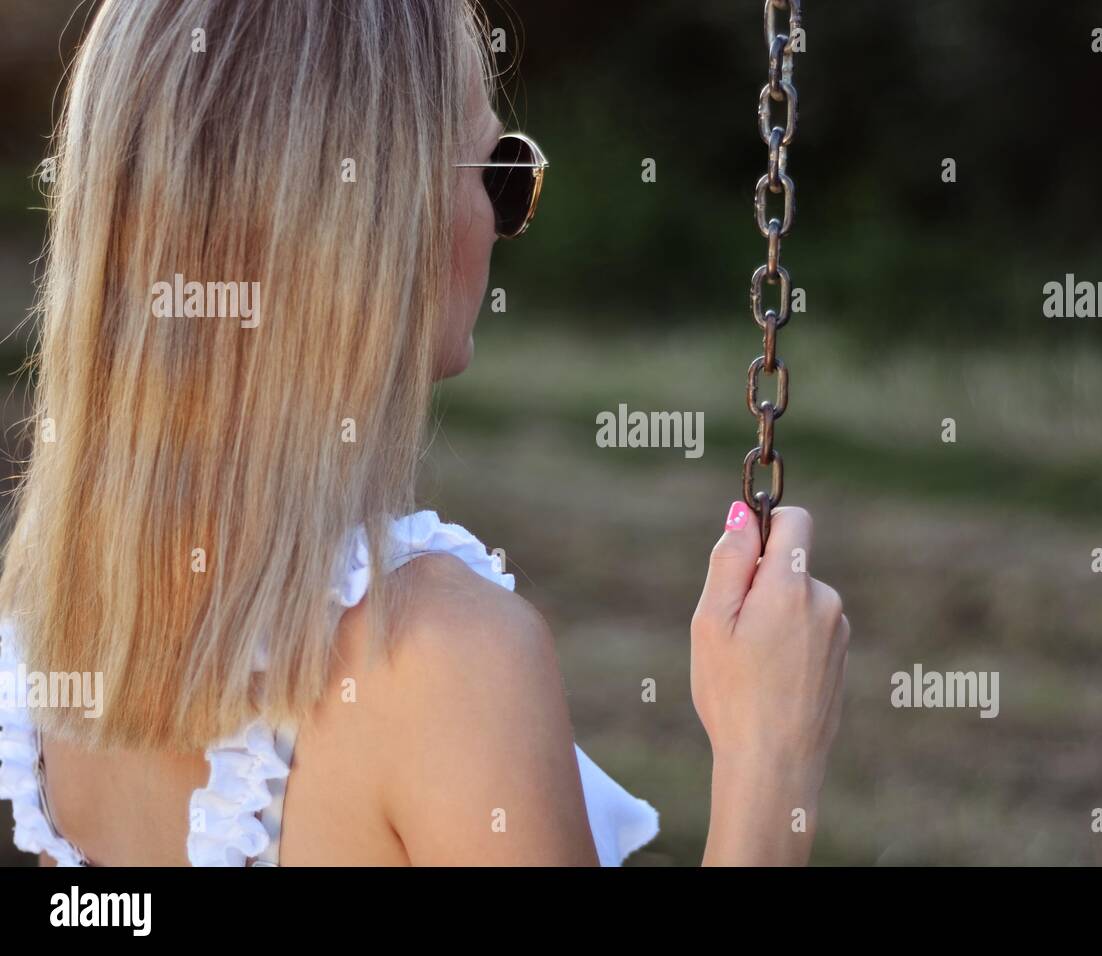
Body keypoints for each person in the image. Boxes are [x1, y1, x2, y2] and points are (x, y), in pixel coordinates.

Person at [0, 0, 848, 867]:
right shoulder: (443, 660)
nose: (506, 221)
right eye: (501, 174)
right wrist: (766, 762)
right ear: (373, 220)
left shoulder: (58, 631)